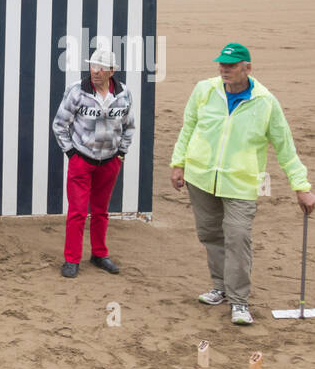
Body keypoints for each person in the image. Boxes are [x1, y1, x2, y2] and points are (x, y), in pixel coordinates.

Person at [170, 42, 315, 325]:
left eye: (232, 65)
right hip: (201, 178)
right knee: (210, 235)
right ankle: (220, 288)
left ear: (247, 68)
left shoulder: (266, 102)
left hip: (241, 184)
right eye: (222, 65)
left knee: (237, 238)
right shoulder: (204, 90)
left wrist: (302, 187)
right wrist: (178, 163)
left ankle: (239, 302)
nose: (225, 70)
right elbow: (188, 127)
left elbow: (285, 147)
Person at [52, 48, 136, 278]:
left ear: (112, 71)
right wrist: (71, 153)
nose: (96, 71)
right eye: (93, 66)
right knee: (77, 212)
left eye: (101, 68)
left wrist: (121, 153)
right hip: (82, 160)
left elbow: (129, 126)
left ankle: (99, 254)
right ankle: (72, 259)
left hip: (110, 162)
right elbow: (60, 124)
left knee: (101, 211)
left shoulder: (124, 94)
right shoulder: (76, 91)